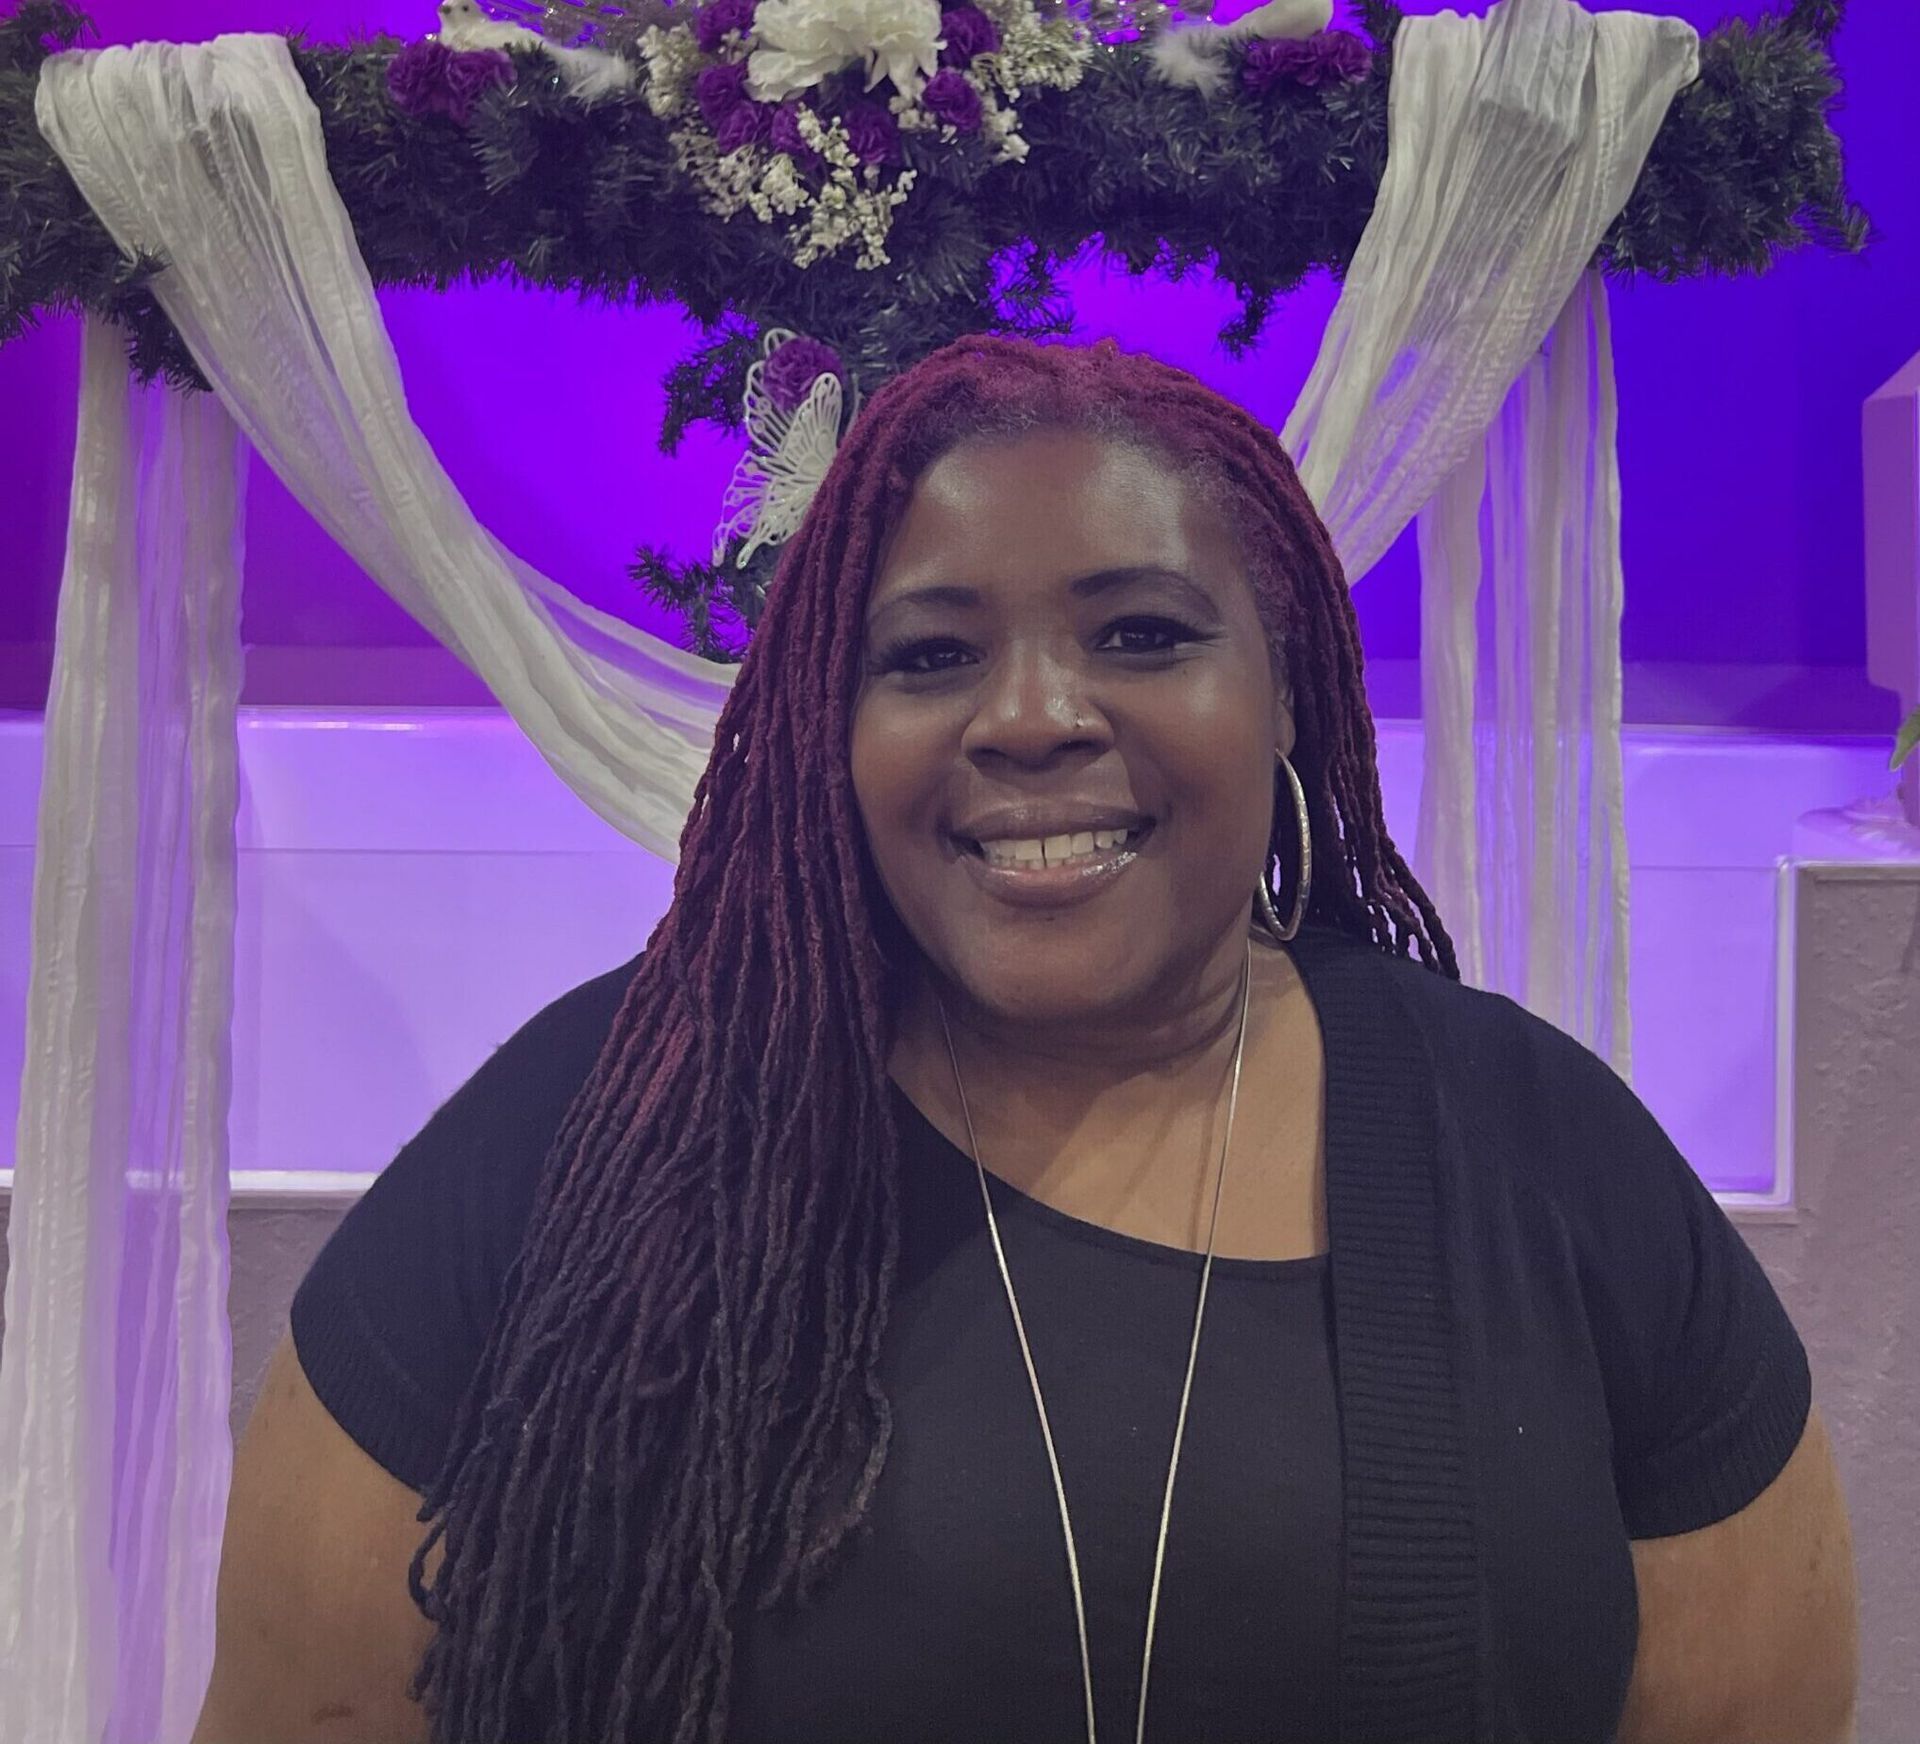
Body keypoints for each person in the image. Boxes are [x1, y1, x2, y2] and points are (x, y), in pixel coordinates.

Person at [191, 337, 1857, 1744]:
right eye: (928, 657)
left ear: (1288, 694)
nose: (1036, 716)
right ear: (824, 735)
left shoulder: (1541, 1154)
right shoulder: (596, 1139)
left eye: (1142, 633)